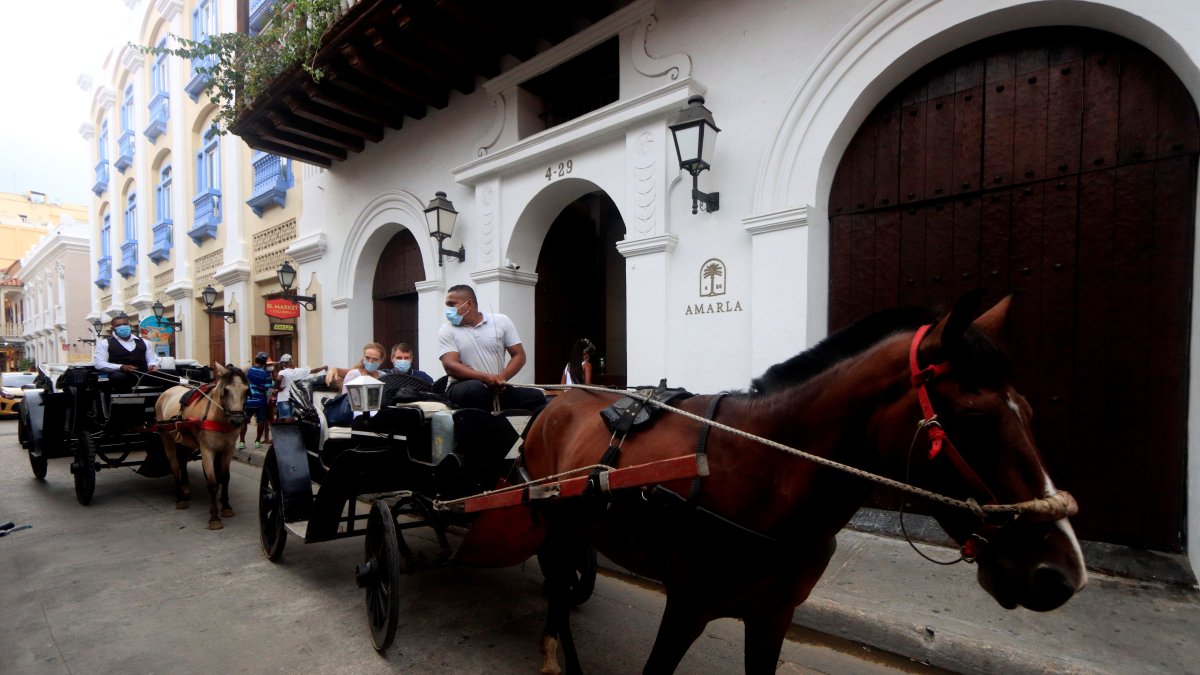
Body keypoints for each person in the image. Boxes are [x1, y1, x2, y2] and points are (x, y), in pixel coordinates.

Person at [437, 284, 546, 411]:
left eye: (452, 304)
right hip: (461, 387)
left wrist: (502, 378)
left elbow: (519, 355)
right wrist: (486, 378)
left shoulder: (501, 321)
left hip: (496, 387)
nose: (448, 310)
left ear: (469, 304)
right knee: (476, 389)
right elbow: (450, 365)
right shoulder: (447, 329)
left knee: (536, 396)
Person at [93, 313, 160, 391]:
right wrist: (121, 367)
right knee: (118, 377)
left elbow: (152, 359)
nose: (122, 326)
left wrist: (152, 365)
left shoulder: (145, 342)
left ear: (130, 326)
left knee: (173, 374)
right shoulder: (104, 343)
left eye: (124, 324)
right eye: (118, 325)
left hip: (143, 374)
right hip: (122, 376)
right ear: (112, 329)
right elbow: (99, 363)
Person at [274, 353, 327, 420]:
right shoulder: (301, 371)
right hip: (295, 399)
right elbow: (313, 371)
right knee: (294, 420)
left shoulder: (283, 372)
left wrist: (278, 388)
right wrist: (323, 368)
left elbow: (279, 379)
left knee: (285, 420)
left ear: (284, 364)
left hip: (283, 398)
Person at [239, 352, 274, 449]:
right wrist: (268, 399)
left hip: (249, 401)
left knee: (245, 421)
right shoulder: (266, 375)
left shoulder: (249, 371)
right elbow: (269, 390)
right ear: (264, 362)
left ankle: (242, 442)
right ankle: (257, 442)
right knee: (261, 422)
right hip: (261, 402)